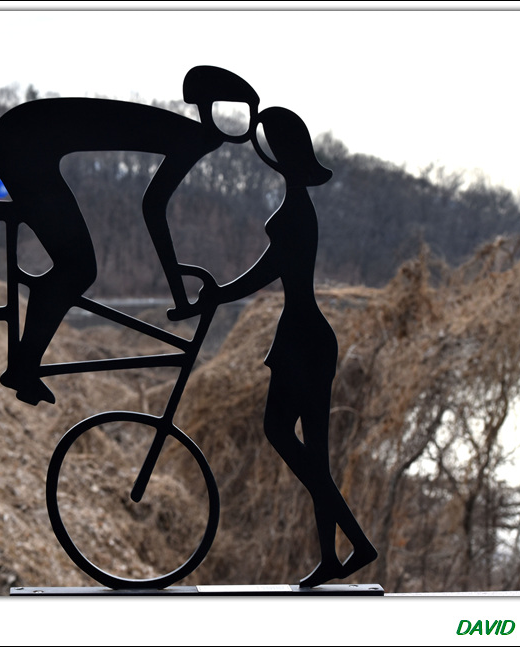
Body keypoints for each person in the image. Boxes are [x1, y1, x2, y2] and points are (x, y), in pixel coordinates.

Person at [0, 66, 260, 405]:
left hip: (23, 134)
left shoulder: (187, 132)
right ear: (207, 109)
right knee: (77, 269)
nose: (245, 128)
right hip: (23, 142)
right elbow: (153, 207)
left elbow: (152, 205)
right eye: (243, 115)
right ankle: (23, 367)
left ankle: (24, 362)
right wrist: (177, 287)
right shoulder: (195, 138)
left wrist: (177, 285)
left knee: (74, 269)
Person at [214, 107, 377, 588]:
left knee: (279, 432)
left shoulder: (293, 215)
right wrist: (217, 295)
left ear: (289, 157)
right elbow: (268, 271)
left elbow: (264, 273)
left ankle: (355, 541)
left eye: (278, 148)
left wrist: (217, 296)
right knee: (310, 454)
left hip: (303, 339)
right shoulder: (296, 208)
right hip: (306, 335)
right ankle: (332, 557)